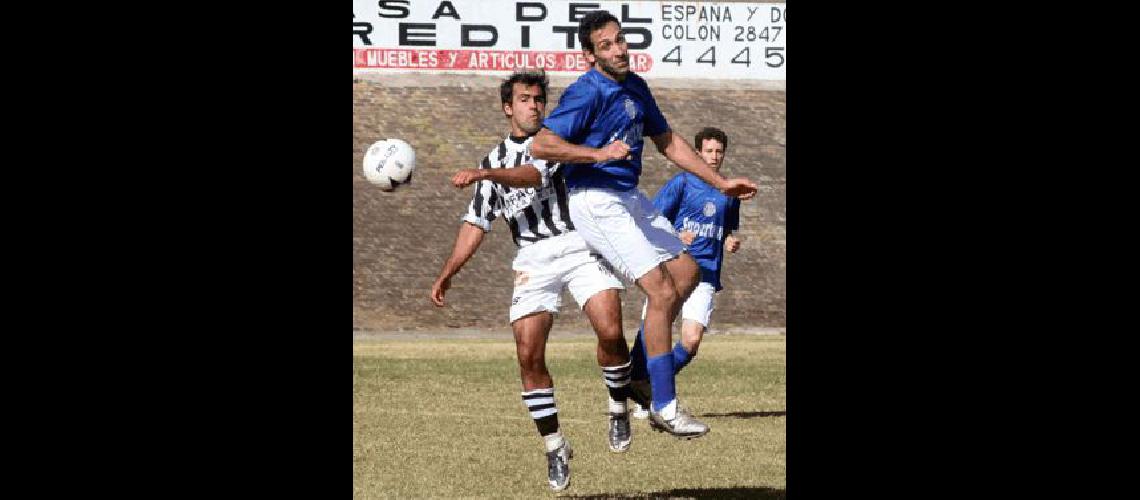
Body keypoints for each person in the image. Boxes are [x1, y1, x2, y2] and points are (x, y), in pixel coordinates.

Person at [530, 10, 757, 439]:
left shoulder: (636, 86)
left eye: (620, 40)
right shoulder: (587, 91)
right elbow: (542, 144)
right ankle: (664, 405)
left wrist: (722, 183)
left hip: (629, 197)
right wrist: (598, 155)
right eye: (607, 45)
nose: (618, 49)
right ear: (590, 56)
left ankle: (636, 373)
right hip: (596, 200)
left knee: (688, 271)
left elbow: (668, 141)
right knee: (661, 288)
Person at [430, 69, 634, 493]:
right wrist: (447, 275)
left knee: (611, 330)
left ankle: (617, 405)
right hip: (533, 258)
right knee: (528, 354)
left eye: (539, 98)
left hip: (578, 245)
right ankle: (555, 445)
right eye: (525, 99)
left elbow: (533, 175)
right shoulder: (491, 162)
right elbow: (475, 224)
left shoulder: (553, 144)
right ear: (508, 107)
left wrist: (484, 176)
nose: (534, 105)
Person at [628, 127, 743, 419]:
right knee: (653, 331)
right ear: (697, 152)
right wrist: (677, 234)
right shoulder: (682, 183)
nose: (714, 157)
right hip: (674, 271)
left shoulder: (729, 192)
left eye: (719, 152)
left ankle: (648, 389)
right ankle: (638, 389)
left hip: (706, 276)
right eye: (708, 151)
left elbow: (726, 227)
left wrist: (729, 239)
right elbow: (650, 219)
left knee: (690, 342)